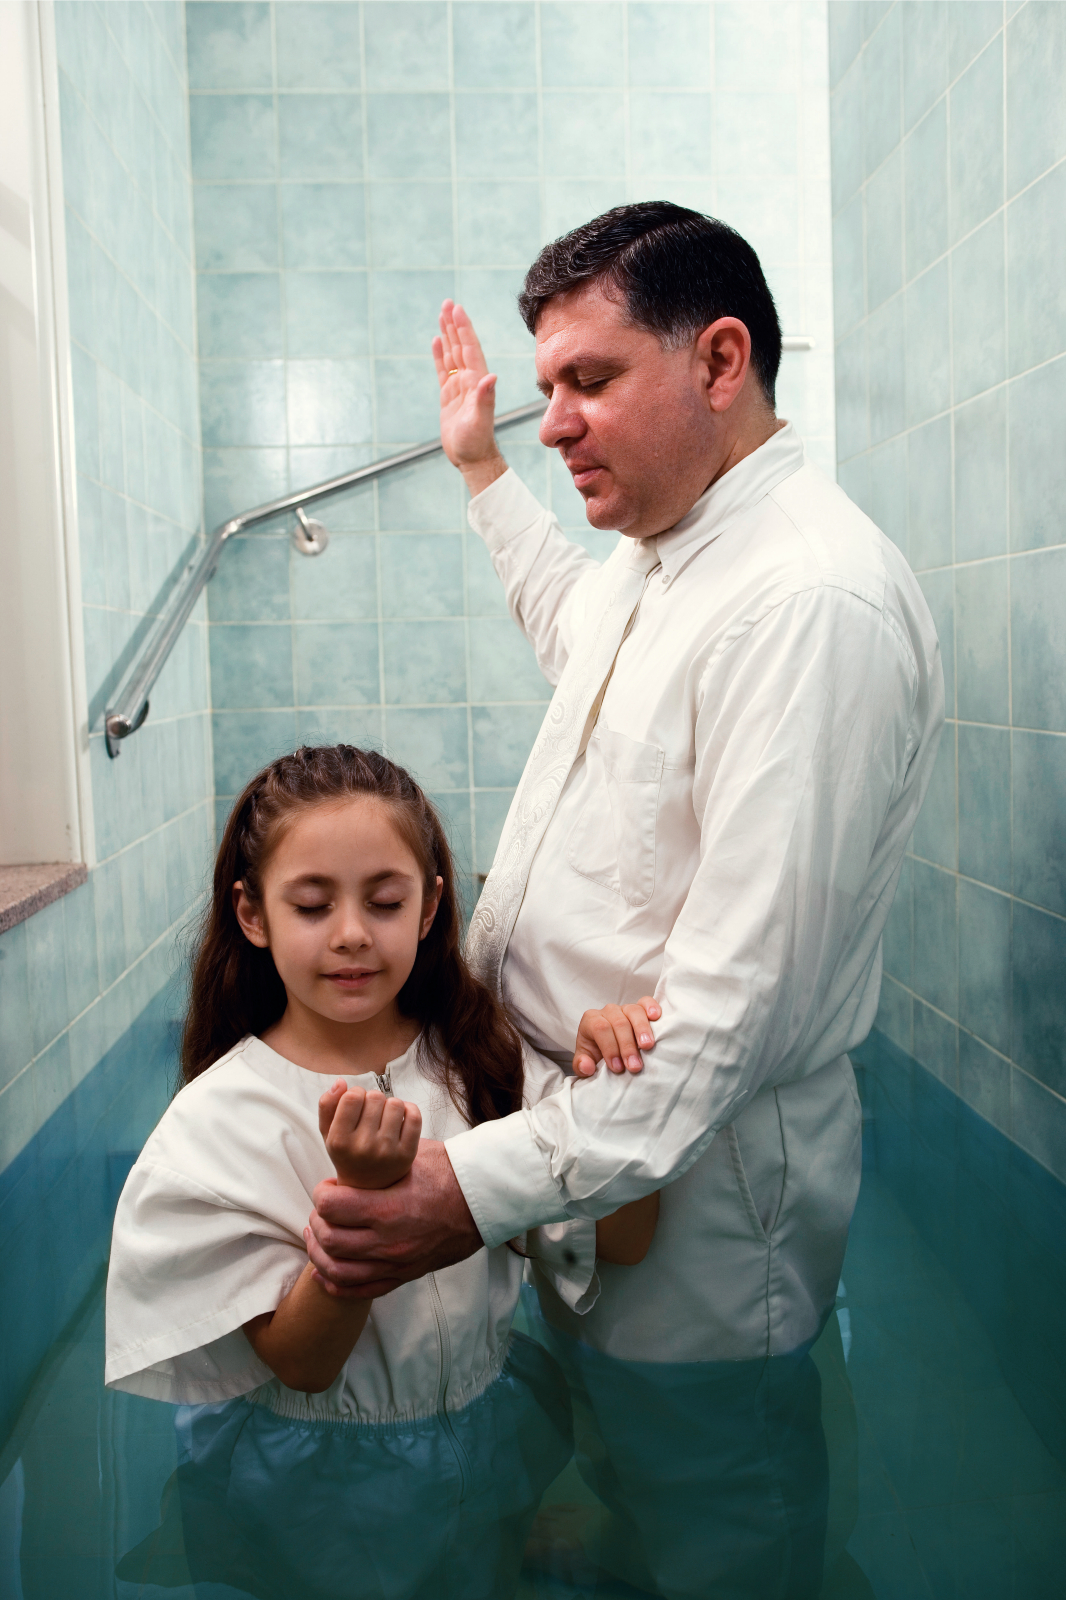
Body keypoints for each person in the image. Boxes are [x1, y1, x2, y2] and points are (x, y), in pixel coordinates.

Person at [304, 203, 945, 1598]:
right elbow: (567, 623)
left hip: (700, 1205)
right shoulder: (671, 556)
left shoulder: (805, 604)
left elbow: (721, 1029)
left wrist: (456, 1195)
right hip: (590, 1146)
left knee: (724, 1514)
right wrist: (478, 474)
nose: (557, 422)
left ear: (720, 361)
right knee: (619, 1452)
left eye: (589, 382)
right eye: (545, 393)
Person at [104, 744, 658, 1600]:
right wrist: (367, 1206)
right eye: (314, 904)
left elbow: (623, 1237)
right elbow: (302, 1363)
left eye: (386, 900)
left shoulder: (480, 1064)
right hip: (316, 1484)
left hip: (486, 1427)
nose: (354, 932)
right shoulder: (223, 1122)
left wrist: (610, 1088)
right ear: (253, 915)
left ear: (432, 907)